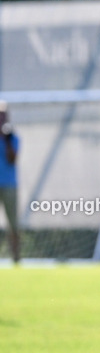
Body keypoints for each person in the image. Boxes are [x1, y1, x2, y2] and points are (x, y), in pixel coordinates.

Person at [0, 102, 21, 265]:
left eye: (4, 114)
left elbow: (12, 159)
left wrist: (6, 140)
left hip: (9, 185)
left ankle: (16, 258)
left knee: (13, 223)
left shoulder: (12, 137)